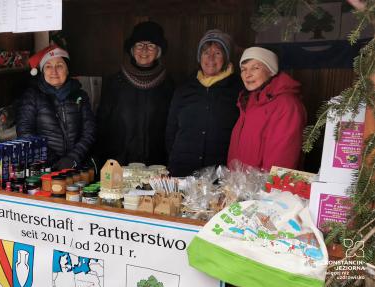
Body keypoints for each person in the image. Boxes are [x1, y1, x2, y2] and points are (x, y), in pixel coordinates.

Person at [96, 21, 174, 166]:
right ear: (132, 49)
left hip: (156, 166)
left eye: (150, 45)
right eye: (139, 45)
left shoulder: (169, 85)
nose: (144, 50)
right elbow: (102, 124)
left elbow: (173, 127)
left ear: (158, 51)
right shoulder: (115, 83)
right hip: (119, 164)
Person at [165, 29, 242, 177]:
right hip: (182, 170)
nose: (211, 58)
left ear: (226, 58)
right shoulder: (184, 88)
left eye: (218, 53)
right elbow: (171, 131)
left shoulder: (238, 89)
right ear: (199, 57)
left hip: (219, 174)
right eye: (206, 52)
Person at [16, 45, 96, 170]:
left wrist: (73, 158)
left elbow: (89, 131)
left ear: (67, 70)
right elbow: (25, 133)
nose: (54, 71)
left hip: (77, 167)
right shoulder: (32, 96)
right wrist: (54, 161)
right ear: (42, 71)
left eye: (59, 65)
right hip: (44, 168)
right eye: (48, 66)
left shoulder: (80, 95)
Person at [227, 47, 307, 171]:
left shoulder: (287, 105)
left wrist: (267, 189)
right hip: (240, 186)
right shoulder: (248, 101)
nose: (247, 74)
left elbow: (282, 160)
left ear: (271, 71)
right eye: (243, 69)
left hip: (262, 188)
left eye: (255, 68)